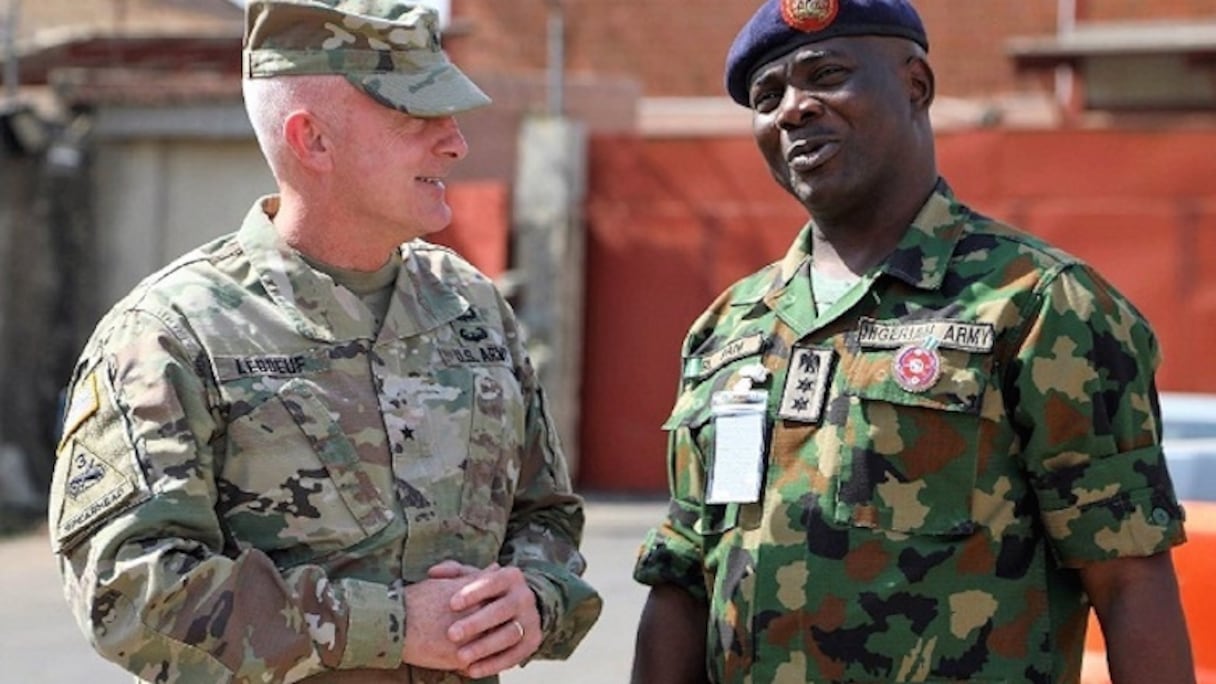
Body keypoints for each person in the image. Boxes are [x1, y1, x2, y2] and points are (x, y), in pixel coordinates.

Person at [631, 1, 1196, 682]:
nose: (793, 110)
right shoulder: (729, 329)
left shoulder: (1039, 303)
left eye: (826, 75)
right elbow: (685, 577)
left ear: (916, 85)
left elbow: (1129, 576)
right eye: (767, 96)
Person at [47, 1, 601, 681]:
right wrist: (389, 627)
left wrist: (534, 598)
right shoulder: (170, 337)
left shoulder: (473, 307)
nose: (455, 142)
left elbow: (545, 516)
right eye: (416, 118)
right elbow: (127, 592)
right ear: (313, 141)